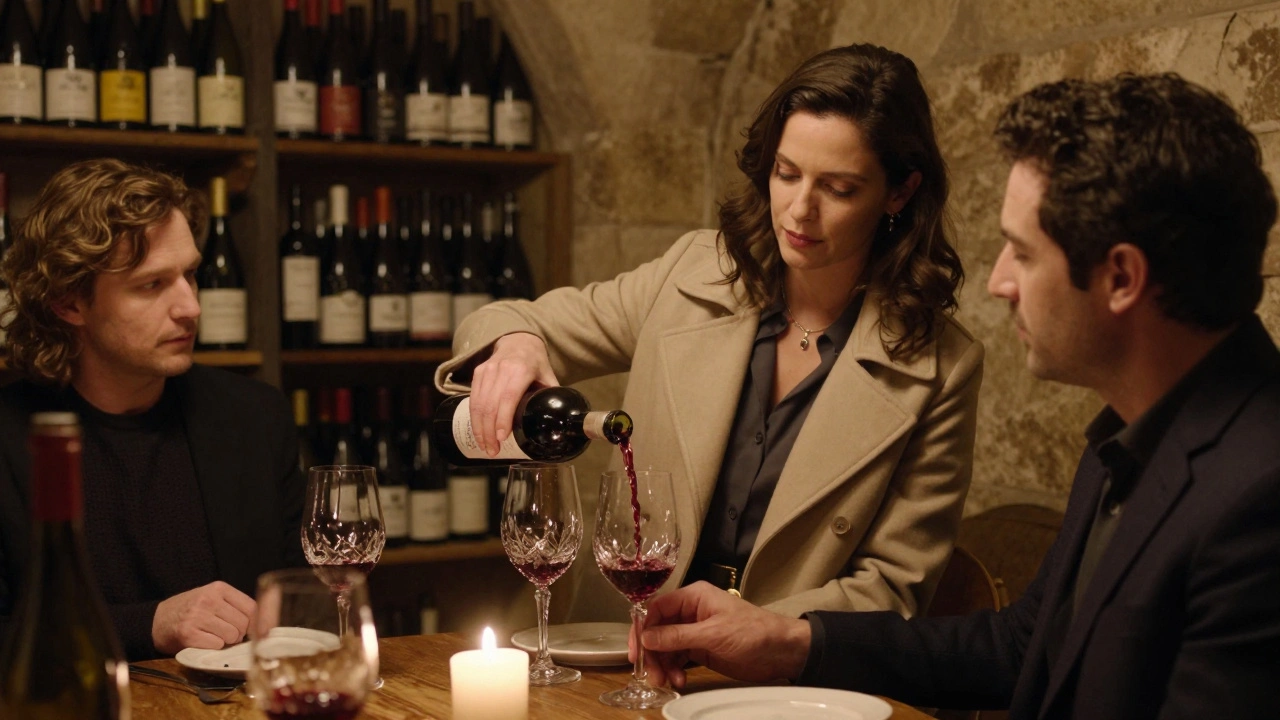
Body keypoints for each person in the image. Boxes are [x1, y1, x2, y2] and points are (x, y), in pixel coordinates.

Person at [638, 73, 1280, 719]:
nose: (999, 282)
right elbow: (1020, 647)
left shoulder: (1260, 498)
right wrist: (787, 641)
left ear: (1120, 277)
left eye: (1023, 253)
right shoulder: (1130, 432)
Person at [436, 43, 984, 620]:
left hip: (782, 687)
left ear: (899, 192)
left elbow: (892, 590)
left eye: (839, 188)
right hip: (624, 648)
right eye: (786, 173)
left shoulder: (942, 367)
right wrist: (519, 344)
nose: (799, 210)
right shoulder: (692, 273)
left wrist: (756, 635)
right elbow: (502, 319)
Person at [0, 159, 306, 660]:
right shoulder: (11, 439)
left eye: (190, 274)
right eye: (152, 285)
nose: (191, 307)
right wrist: (151, 624)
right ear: (69, 304)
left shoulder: (255, 417)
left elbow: (303, 596)